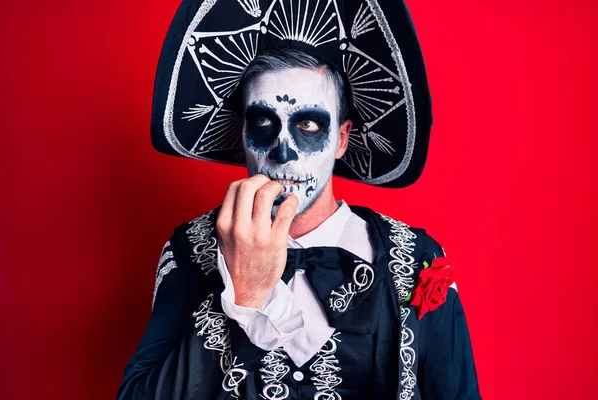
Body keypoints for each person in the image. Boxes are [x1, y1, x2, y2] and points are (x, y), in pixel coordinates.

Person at [118, 0, 481, 399]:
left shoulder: (415, 258)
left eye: (308, 124)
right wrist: (246, 296)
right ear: (242, 137)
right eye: (263, 122)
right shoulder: (191, 250)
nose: (283, 152)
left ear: (341, 139)